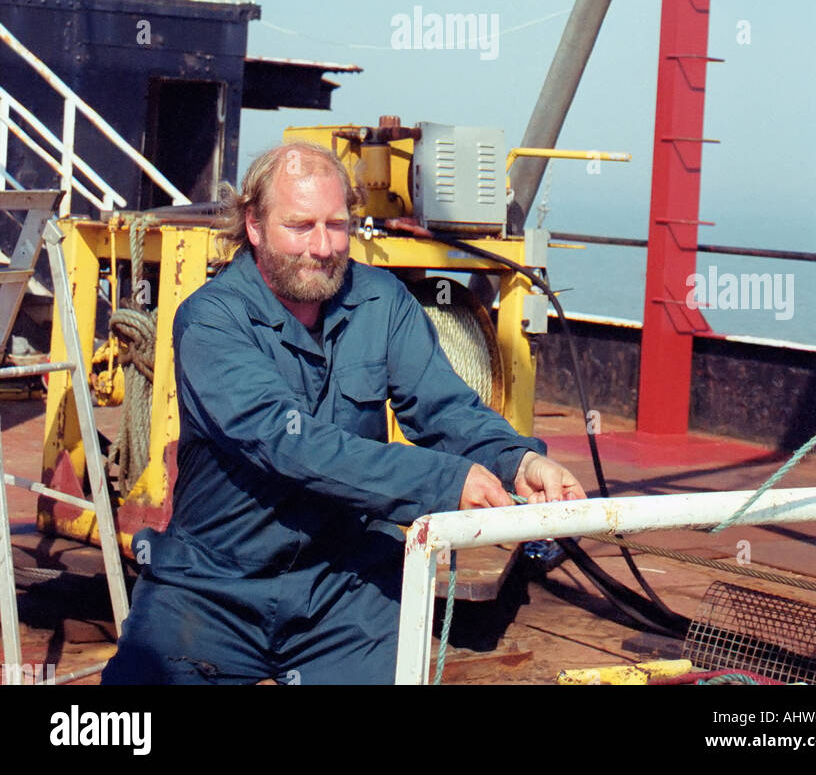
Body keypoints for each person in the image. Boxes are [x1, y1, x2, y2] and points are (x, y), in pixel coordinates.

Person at [101, 141, 585, 685]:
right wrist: (446, 481)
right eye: (300, 226)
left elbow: (445, 408)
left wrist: (517, 462)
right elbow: (288, 442)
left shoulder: (383, 301)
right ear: (254, 225)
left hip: (345, 587)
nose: (323, 247)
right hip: (212, 587)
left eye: (336, 224)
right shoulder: (211, 321)